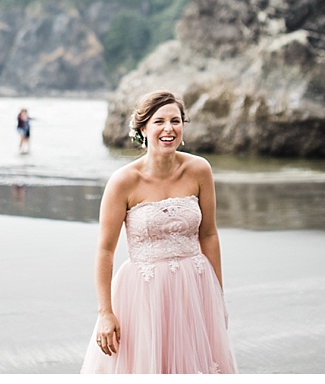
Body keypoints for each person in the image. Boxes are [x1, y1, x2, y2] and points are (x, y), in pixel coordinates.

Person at [80, 90, 237, 374]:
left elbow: (209, 235)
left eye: (175, 121)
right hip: (142, 293)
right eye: (159, 121)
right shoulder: (123, 181)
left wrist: (217, 296)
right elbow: (105, 250)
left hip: (194, 288)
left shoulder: (200, 170)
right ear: (143, 128)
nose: (169, 129)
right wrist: (106, 313)